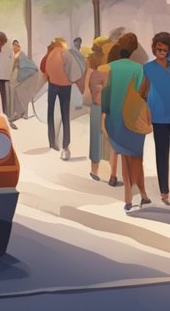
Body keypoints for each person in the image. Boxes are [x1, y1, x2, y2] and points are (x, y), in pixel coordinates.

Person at [103, 33, 151, 212]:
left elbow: (106, 95)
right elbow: (141, 93)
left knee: (124, 157)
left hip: (116, 116)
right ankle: (143, 193)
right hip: (134, 115)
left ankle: (128, 198)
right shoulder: (139, 68)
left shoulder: (109, 68)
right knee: (137, 156)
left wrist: (105, 115)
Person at [145, 32, 170, 207]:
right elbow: (142, 92)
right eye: (158, 49)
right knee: (162, 154)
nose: (161, 52)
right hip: (159, 117)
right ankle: (164, 191)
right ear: (154, 48)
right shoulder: (147, 68)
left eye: (165, 49)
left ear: (169, 50)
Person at [82, 37, 119, 184]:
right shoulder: (110, 70)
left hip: (97, 106)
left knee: (96, 139)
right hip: (108, 107)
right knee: (112, 139)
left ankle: (95, 171)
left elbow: (88, 94)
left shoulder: (94, 71)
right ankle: (112, 173)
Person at [41, 38, 74, 160]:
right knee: (65, 114)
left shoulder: (49, 55)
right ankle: (65, 145)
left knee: (50, 112)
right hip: (66, 86)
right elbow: (72, 70)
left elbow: (43, 69)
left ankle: (52, 142)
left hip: (52, 85)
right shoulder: (66, 54)